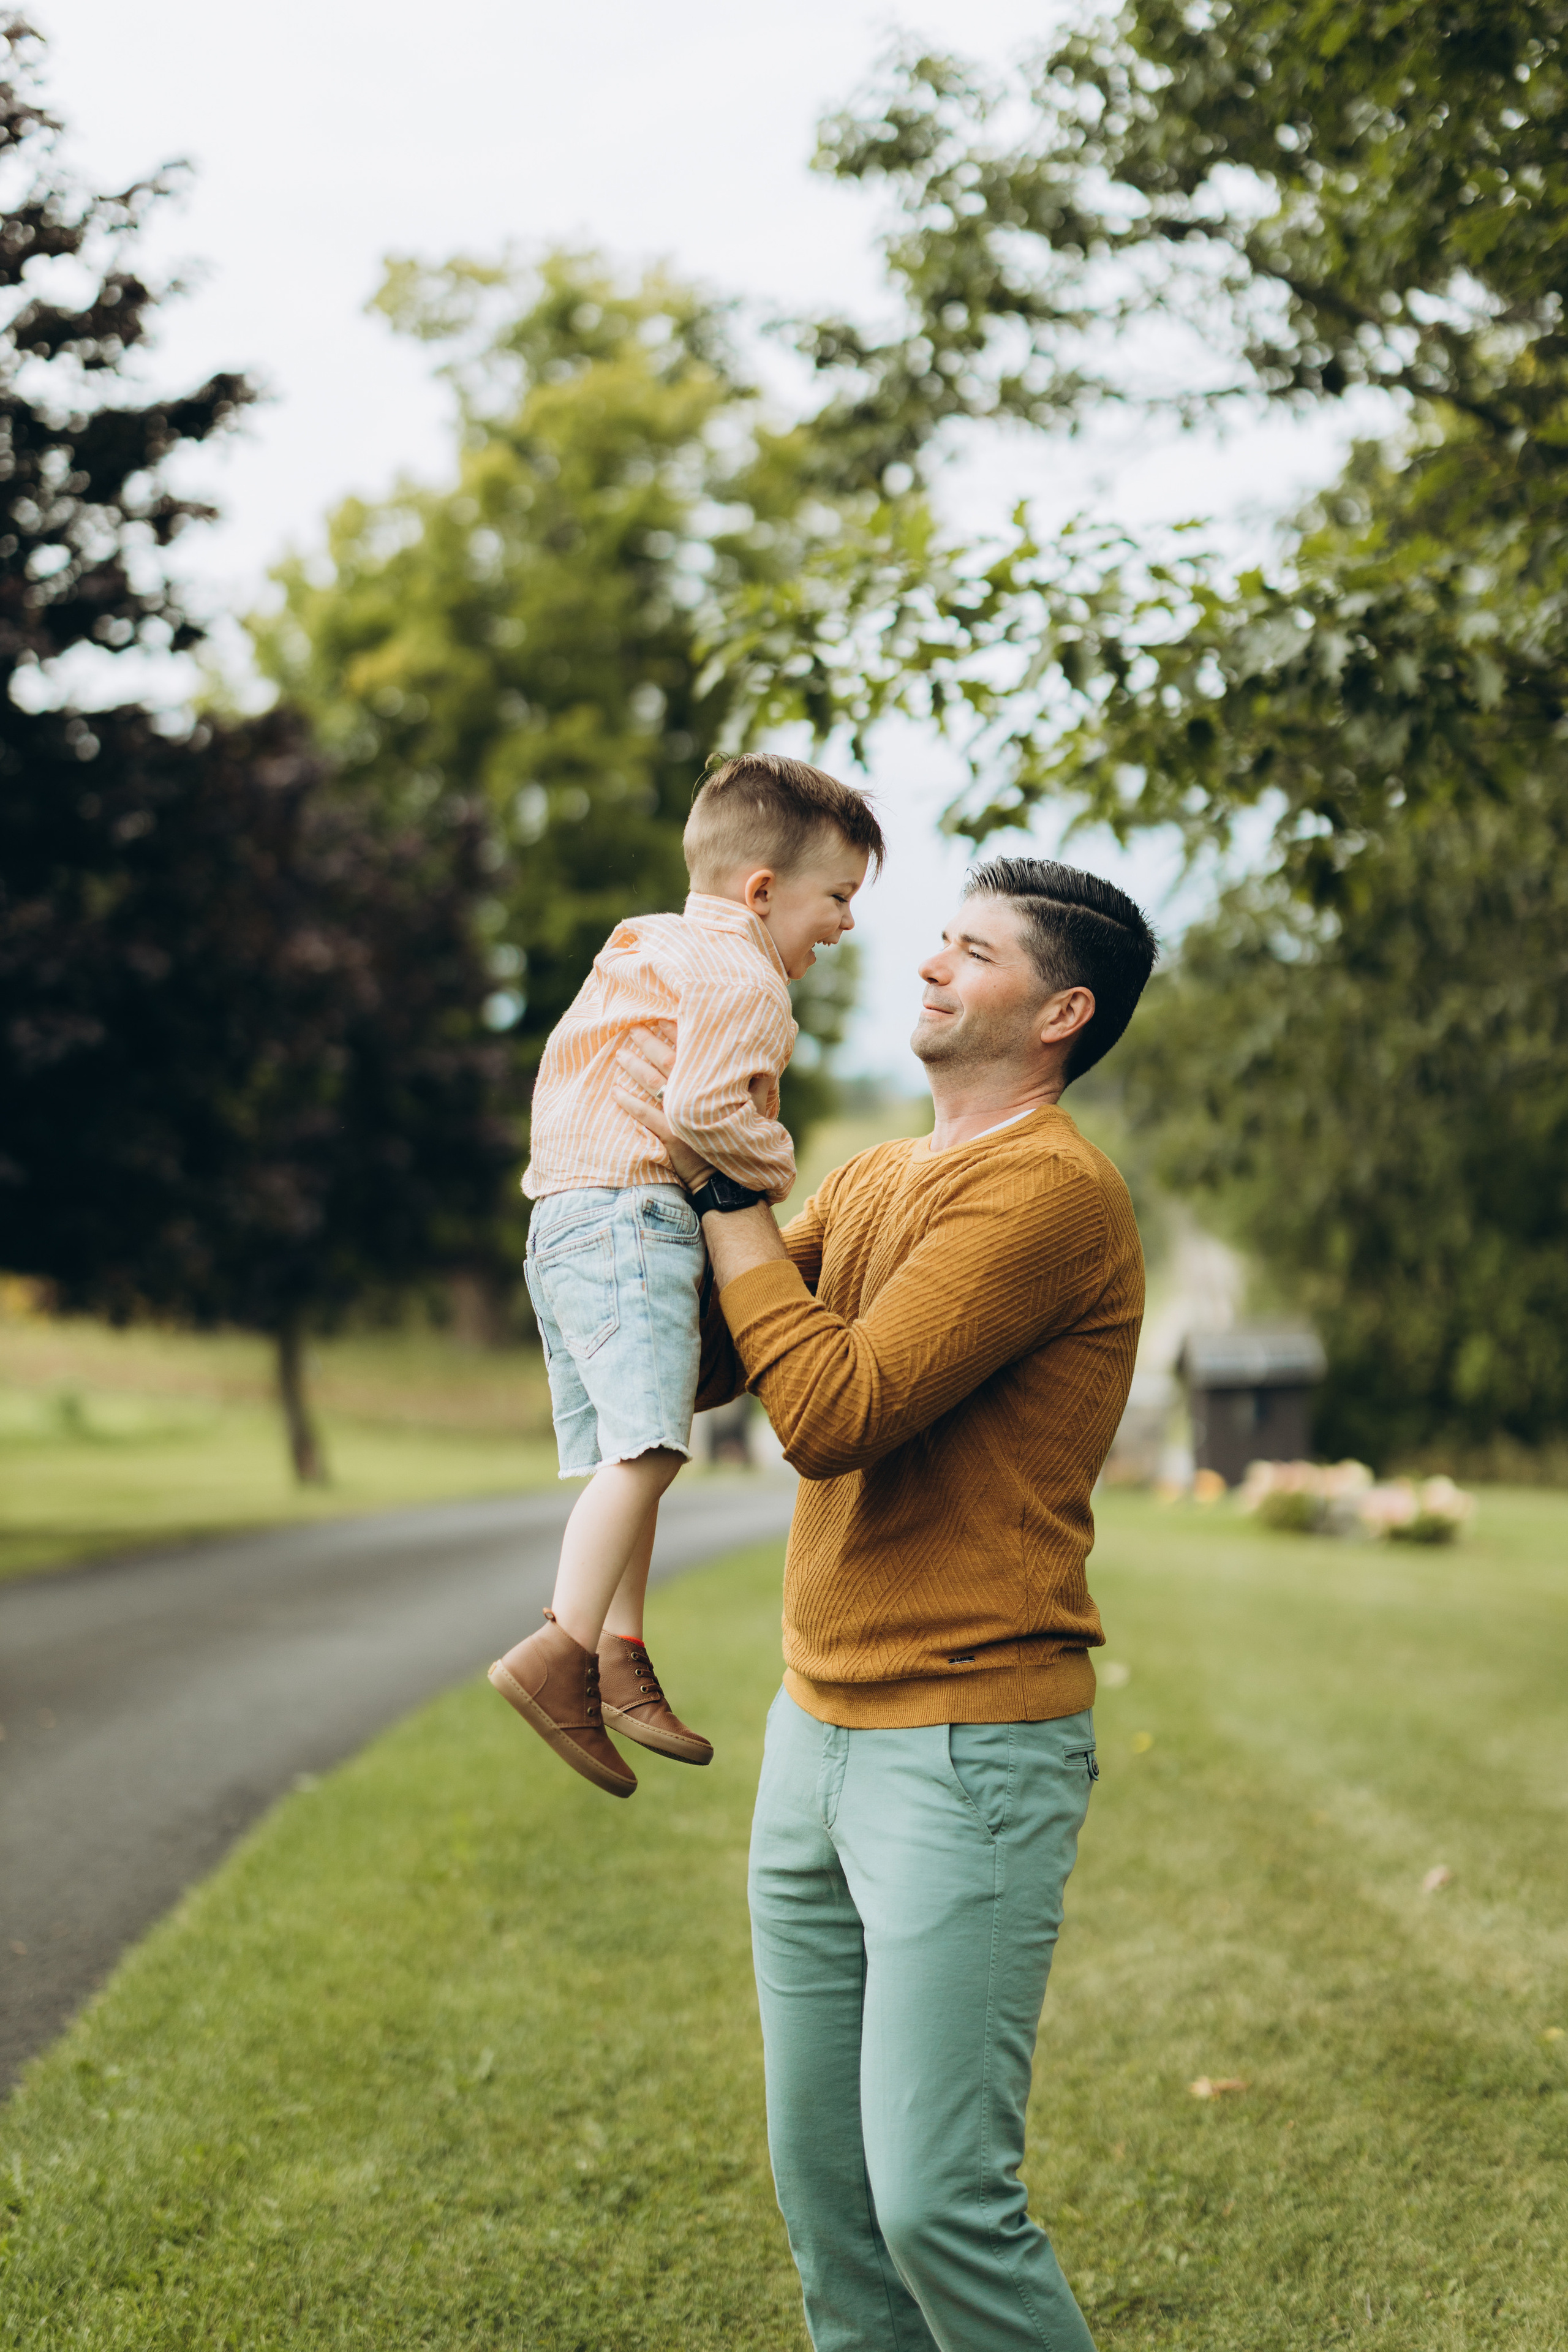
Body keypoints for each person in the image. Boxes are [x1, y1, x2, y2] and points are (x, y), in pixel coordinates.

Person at [615, 856, 1158, 2352]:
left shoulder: (1048, 1194)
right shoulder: (868, 1177)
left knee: (935, 2203)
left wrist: (730, 1194)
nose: (927, 966)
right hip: (815, 1735)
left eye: (969, 953)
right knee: (831, 2202)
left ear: (1059, 1010)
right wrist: (623, 1200)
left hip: (967, 1751)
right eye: (936, 941)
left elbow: (834, 1408)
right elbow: (723, 1362)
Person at [489, 753, 885, 1800]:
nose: (845, 924)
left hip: (566, 1217)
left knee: (629, 1453)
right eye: (838, 898)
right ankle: (560, 1655)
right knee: (657, 1452)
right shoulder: (745, 975)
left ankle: (619, 1655)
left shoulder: (647, 943)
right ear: (762, 892)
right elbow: (707, 1113)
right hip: (632, 1216)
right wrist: (779, 1169)